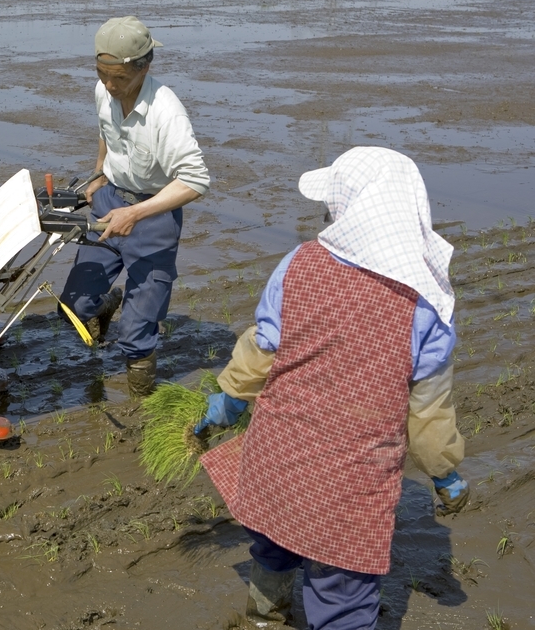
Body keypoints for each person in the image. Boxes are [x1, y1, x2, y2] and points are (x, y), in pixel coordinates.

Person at [197, 147, 469, 629]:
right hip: (352, 478)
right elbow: (429, 411)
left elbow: (262, 347)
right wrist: (444, 472)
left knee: (273, 540)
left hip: (277, 453)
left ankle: (265, 616)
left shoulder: (299, 262)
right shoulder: (425, 301)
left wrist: (231, 399)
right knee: (343, 591)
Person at [60, 16, 211, 399]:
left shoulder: (166, 112)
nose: (110, 86)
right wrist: (99, 173)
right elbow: (106, 131)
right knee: (74, 306)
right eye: (102, 75)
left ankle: (142, 403)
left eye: (119, 78)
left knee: (136, 333)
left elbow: (195, 180)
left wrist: (136, 213)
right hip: (110, 201)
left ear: (144, 67)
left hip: (152, 217)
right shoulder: (104, 90)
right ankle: (105, 307)